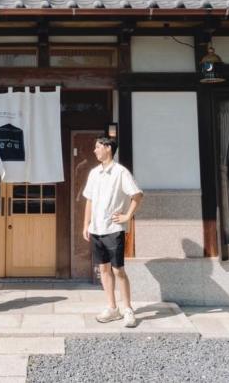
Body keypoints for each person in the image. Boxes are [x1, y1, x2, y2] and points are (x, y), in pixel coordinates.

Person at [82, 136, 144, 328]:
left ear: (108, 148)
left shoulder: (120, 172)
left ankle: (128, 309)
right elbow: (89, 200)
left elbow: (137, 194)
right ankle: (112, 307)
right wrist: (86, 225)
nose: (94, 150)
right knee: (103, 269)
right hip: (96, 229)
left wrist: (127, 217)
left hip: (113, 229)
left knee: (118, 270)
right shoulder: (94, 173)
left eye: (97, 147)